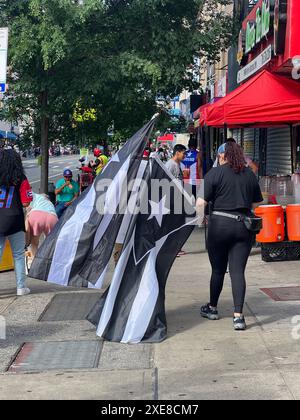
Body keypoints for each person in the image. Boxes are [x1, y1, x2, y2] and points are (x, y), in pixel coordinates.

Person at [197, 141, 263, 331]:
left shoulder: (214, 174)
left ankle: (212, 308)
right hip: (243, 227)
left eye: (219, 156)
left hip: (219, 226)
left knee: (218, 270)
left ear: (223, 156)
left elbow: (201, 203)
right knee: (237, 272)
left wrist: (201, 221)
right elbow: (257, 203)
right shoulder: (248, 174)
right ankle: (238, 317)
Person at [0, 149, 33, 296]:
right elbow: (26, 202)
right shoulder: (21, 178)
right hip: (15, 219)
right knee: (18, 254)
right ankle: (21, 288)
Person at [25, 193, 58, 258]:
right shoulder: (48, 202)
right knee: (51, 243)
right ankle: (49, 261)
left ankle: (35, 262)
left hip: (36, 214)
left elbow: (28, 208)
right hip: (52, 217)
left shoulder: (31, 195)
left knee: (34, 243)